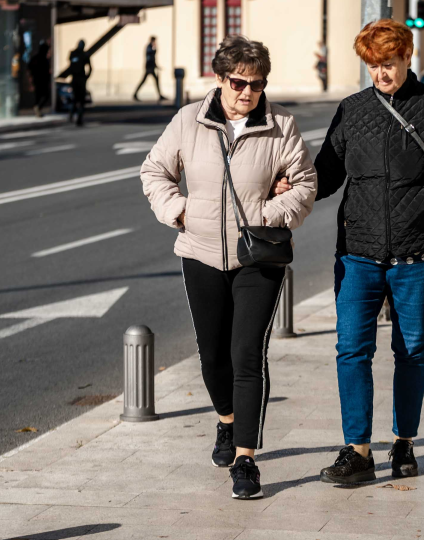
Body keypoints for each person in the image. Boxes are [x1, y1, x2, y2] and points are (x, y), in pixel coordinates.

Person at [140, 35, 316, 500]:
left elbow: (305, 184)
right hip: (199, 251)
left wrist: (269, 215)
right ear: (219, 79)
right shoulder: (189, 121)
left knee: (247, 354)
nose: (248, 92)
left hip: (257, 255)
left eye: (257, 84)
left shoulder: (281, 125)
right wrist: (179, 212)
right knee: (212, 355)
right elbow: (154, 171)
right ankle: (226, 420)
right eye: (239, 82)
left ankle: (246, 459)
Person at [314, 19, 424, 484]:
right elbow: (327, 174)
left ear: (407, 56)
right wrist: (293, 184)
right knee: (351, 350)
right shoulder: (351, 110)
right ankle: (358, 451)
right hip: (358, 252)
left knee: (411, 351)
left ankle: (404, 442)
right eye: (373, 66)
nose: (381, 74)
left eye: (389, 63)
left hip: (418, 253)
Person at [58, 40, 92, 126]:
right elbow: (72, 66)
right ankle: (74, 116)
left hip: (79, 79)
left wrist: (86, 77)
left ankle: (76, 117)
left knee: (78, 99)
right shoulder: (77, 54)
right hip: (77, 79)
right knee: (77, 99)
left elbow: (89, 67)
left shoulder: (80, 54)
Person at [133, 37, 166, 102]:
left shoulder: (151, 47)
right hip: (149, 67)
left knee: (154, 80)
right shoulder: (149, 47)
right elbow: (150, 58)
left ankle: (160, 95)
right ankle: (135, 94)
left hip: (151, 67)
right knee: (146, 80)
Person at [28, 40, 52, 117]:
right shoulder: (41, 59)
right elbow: (29, 69)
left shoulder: (40, 59)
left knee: (41, 96)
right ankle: (37, 109)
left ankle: (38, 109)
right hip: (40, 81)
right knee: (42, 96)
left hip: (40, 80)